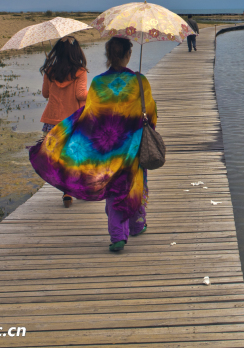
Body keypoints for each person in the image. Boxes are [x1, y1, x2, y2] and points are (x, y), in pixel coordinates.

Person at [30, 37, 156, 253]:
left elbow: (90, 116)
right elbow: (151, 116)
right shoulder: (140, 80)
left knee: (114, 186)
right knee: (134, 182)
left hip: (107, 147)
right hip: (132, 143)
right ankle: (136, 225)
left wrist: (68, 133)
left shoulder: (98, 82)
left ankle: (118, 233)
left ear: (108, 56)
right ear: (129, 55)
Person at [39, 36, 89, 208]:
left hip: (53, 121)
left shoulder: (50, 70)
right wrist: (95, 93)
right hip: (73, 120)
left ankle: (68, 190)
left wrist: (49, 71)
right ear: (77, 53)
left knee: (59, 157)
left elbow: (45, 94)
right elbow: (81, 95)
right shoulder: (80, 72)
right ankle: (73, 188)